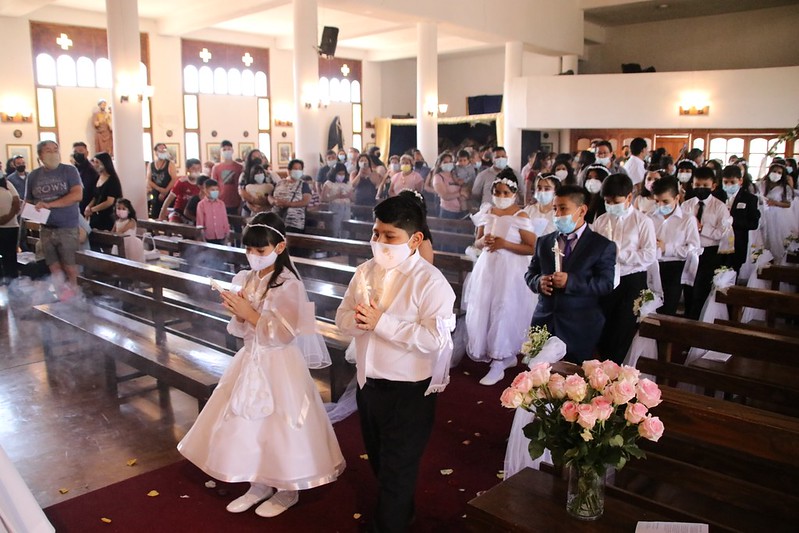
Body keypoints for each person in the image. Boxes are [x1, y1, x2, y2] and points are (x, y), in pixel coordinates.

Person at [179, 212, 345, 518]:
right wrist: (238, 312)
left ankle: (287, 488)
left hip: (279, 364)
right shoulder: (245, 278)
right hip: (250, 358)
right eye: (249, 250)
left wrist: (251, 313)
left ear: (279, 248)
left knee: (281, 425)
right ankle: (258, 482)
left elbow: (286, 334)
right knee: (248, 423)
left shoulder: (288, 283)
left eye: (261, 250)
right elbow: (240, 329)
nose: (253, 256)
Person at [335, 195, 456, 533]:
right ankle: (403, 512)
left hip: (409, 393)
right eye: (376, 234)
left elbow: (436, 339)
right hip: (367, 386)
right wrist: (356, 321)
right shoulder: (365, 271)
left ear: (415, 239)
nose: (380, 243)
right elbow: (341, 314)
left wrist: (381, 323)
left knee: (397, 470)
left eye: (390, 236)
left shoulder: (430, 282)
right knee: (380, 462)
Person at [525, 185, 616, 363]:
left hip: (579, 324)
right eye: (555, 209)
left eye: (563, 208)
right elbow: (531, 272)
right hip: (545, 319)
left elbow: (605, 284)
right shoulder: (544, 242)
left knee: (572, 382)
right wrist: (538, 282)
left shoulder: (601, 246)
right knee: (539, 379)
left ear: (581, 210)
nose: (558, 214)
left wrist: (570, 281)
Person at [466, 171, 537, 385]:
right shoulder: (487, 210)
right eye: (497, 192)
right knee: (485, 307)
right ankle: (503, 356)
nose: (501, 196)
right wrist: (484, 242)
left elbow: (531, 247)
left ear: (514, 193)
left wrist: (505, 244)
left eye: (505, 192)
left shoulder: (521, 216)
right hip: (488, 267)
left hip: (511, 270)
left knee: (504, 308)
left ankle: (499, 358)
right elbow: (476, 241)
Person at [593, 173, 657, 363]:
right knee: (602, 329)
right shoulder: (602, 221)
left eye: (615, 201)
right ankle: (603, 370)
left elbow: (649, 255)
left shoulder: (642, 221)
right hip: (605, 281)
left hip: (631, 280)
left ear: (629, 197)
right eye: (607, 201)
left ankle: (616, 373)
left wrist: (620, 255)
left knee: (622, 330)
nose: (611, 205)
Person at [26, 140, 83, 297]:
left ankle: (76, 298)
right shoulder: (33, 176)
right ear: (40, 155)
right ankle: (62, 298)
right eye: (48, 151)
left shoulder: (69, 171)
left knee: (70, 266)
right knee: (54, 267)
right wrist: (27, 208)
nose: (52, 153)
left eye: (55, 150)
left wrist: (50, 204)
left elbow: (77, 195)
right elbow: (29, 201)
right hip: (46, 228)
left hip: (67, 227)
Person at [682, 167, 732, 319]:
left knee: (701, 290)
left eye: (705, 185)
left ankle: (695, 321)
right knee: (688, 289)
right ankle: (686, 319)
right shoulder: (686, 205)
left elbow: (721, 233)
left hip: (709, 253)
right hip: (690, 252)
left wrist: (702, 228)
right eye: (697, 185)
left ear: (713, 186)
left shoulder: (720, 207)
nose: (701, 189)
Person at [650, 177, 700, 315]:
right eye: (657, 201)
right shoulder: (649, 217)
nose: (661, 205)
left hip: (674, 268)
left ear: (677, 198)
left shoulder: (687, 219)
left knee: (667, 309)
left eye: (665, 201)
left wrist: (668, 248)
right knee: (648, 307)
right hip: (652, 267)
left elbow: (694, 248)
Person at [720, 165, 760, 274]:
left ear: (740, 181)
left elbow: (753, 223)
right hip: (717, 243)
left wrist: (733, 222)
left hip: (737, 244)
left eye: (732, 182)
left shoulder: (749, 199)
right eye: (725, 182)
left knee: (731, 275)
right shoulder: (718, 196)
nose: (728, 185)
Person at [759, 161, 795, 263]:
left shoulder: (784, 188)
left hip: (777, 216)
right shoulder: (762, 184)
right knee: (763, 238)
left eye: (779, 173)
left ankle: (778, 261)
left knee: (776, 240)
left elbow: (788, 204)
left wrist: (776, 203)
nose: (776, 174)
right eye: (774, 171)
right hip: (764, 213)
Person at [83, 152, 123, 232]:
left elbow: (109, 201)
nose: (94, 164)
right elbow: (96, 196)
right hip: (97, 216)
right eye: (94, 162)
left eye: (97, 162)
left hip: (108, 216)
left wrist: (92, 210)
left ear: (104, 163)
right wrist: (88, 207)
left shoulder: (112, 180)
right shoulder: (98, 177)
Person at [270, 159, 312, 233]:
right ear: (289, 171)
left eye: (300, 169)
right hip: (276, 221)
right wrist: (274, 202)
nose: (298, 171)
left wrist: (287, 204)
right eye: (295, 169)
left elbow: (306, 201)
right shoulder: (279, 183)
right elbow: (270, 196)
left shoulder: (303, 185)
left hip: (294, 223)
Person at [159, 158, 202, 223]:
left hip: (193, 213)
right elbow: (169, 199)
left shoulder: (202, 182)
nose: (196, 171)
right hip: (179, 211)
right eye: (193, 168)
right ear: (188, 169)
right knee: (174, 223)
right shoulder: (181, 182)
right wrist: (162, 215)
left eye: (198, 168)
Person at [239, 150, 277, 216]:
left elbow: (276, 189)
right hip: (249, 208)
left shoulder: (270, 174)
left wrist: (265, 204)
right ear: (249, 159)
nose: (257, 158)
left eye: (259, 156)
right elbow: (242, 191)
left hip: (268, 208)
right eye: (254, 157)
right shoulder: (244, 175)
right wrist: (254, 203)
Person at [211, 140, 244, 217]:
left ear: (232, 150)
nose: (227, 151)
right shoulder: (216, 168)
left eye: (229, 149)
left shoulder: (240, 167)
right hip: (221, 201)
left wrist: (241, 204)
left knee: (237, 227)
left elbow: (242, 185)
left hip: (237, 202)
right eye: (224, 150)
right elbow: (213, 186)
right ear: (221, 152)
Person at [146, 143, 177, 219]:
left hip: (168, 193)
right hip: (156, 193)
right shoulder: (151, 164)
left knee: (167, 216)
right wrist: (159, 189)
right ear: (156, 152)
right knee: (155, 215)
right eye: (160, 149)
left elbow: (174, 179)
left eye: (164, 149)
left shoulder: (170, 164)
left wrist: (165, 191)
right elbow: (148, 180)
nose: (162, 151)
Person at [321, 163, 352, 238]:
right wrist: (336, 196)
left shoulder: (347, 183)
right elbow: (323, 198)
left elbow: (353, 196)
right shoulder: (329, 183)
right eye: (339, 173)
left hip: (346, 207)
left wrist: (348, 195)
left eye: (343, 173)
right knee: (335, 230)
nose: (341, 175)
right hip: (335, 207)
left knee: (346, 230)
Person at [432, 151, 466, 219]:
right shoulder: (438, 177)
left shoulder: (455, 175)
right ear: (440, 164)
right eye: (445, 162)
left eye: (450, 161)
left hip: (461, 211)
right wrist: (460, 193)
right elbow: (444, 196)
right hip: (447, 212)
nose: (448, 164)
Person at [196, 179, 230, 244]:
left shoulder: (221, 204)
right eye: (212, 190)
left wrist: (227, 236)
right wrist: (203, 239)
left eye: (216, 190)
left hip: (221, 236)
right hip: (208, 237)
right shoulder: (201, 205)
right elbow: (200, 223)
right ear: (205, 190)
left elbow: (225, 220)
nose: (215, 192)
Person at [0, 175, 20, 282]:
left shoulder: (7, 183)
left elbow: (17, 203)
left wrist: (7, 218)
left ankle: (12, 283)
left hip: (10, 226)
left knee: (10, 257)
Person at [71, 142, 99, 212]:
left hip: (87, 208)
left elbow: (96, 194)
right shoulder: (71, 170)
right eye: (75, 152)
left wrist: (90, 207)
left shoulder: (93, 171)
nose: (77, 153)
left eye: (80, 151)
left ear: (87, 153)